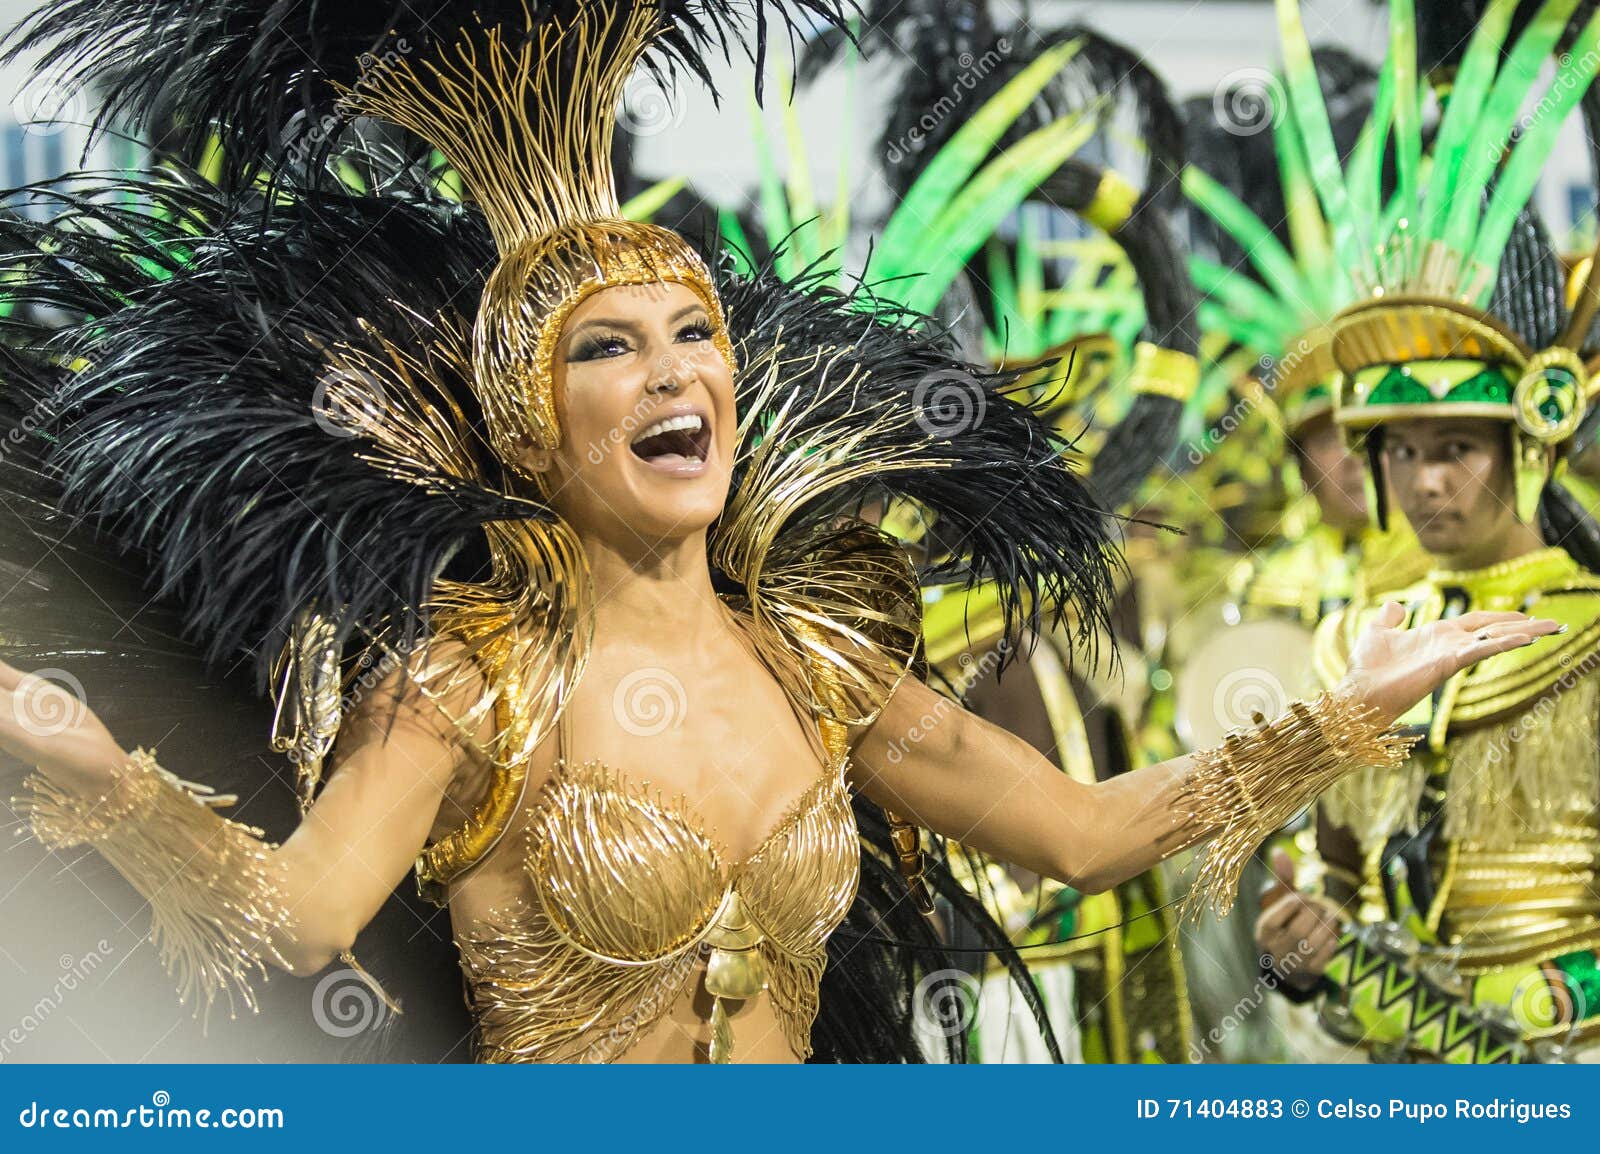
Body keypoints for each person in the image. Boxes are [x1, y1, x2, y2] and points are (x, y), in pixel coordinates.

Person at [0, 0, 1559, 1065]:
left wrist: (1345, 715)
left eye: (695, 331)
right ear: (533, 419)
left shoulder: (813, 663)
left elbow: (1083, 835)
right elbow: (297, 918)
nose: (677, 367)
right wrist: (107, 781)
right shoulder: (473, 674)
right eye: (609, 347)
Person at [1253, 0, 1600, 1062]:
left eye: (1454, 446)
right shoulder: (1357, 645)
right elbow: (1334, 876)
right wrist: (1300, 949)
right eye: (1399, 450)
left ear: (1525, 445)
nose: (1423, 481)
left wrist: (1554, 991)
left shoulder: (1589, 636)